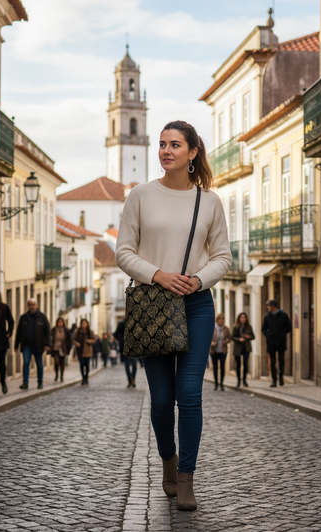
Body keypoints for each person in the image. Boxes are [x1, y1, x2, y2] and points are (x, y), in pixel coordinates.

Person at [116, 120, 231, 511]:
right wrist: (158, 275)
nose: (166, 150)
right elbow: (123, 252)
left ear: (193, 153)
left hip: (196, 305)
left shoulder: (210, 201)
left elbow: (223, 257)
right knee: (163, 400)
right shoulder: (141, 195)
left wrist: (197, 280)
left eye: (175, 145)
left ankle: (186, 478)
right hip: (153, 306)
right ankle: (168, 458)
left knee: (190, 395)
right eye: (162, 144)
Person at [14, 299, 51, 390]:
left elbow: (48, 332)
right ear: (27, 306)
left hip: (38, 345)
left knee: (39, 364)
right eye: (30, 305)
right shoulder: (23, 317)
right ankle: (25, 382)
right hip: (27, 345)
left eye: (33, 304)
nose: (31, 306)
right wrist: (16, 345)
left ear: (36, 305)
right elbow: (18, 332)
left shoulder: (42, 317)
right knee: (26, 363)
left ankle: (40, 382)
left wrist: (48, 344)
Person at [262, 299, 292, 388]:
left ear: (273, 306)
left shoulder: (283, 315)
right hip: (271, 342)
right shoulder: (267, 316)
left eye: (268, 306)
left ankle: (281, 377)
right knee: (272, 361)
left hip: (281, 341)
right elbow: (263, 328)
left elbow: (289, 327)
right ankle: (274, 380)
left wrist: (282, 333)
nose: (267, 307)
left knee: (281, 360)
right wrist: (268, 335)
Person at [232, 312, 255, 388]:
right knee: (238, 365)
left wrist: (248, 337)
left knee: (245, 364)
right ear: (239, 319)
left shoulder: (249, 327)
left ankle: (244, 380)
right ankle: (238, 381)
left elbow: (253, 336)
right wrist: (239, 339)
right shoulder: (235, 327)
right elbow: (232, 337)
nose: (243, 319)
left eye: (244, 317)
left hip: (246, 347)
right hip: (238, 348)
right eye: (241, 317)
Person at [209, 313, 231, 391]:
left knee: (222, 367)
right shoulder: (213, 328)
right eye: (219, 319)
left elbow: (229, 338)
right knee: (215, 367)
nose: (221, 321)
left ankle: (221, 383)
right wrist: (212, 343)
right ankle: (216, 384)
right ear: (217, 320)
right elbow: (208, 338)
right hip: (214, 351)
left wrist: (226, 341)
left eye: (222, 319)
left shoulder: (226, 329)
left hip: (223, 351)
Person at [114, 318, 137, 388]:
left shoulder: (135, 323)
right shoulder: (121, 324)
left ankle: (133, 378)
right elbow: (115, 334)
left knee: (134, 364)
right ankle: (129, 379)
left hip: (134, 348)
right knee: (127, 365)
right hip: (125, 348)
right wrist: (121, 339)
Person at [73, 318, 96, 384]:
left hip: (88, 351)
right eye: (83, 323)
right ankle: (83, 377)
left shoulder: (90, 332)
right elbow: (73, 339)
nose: (84, 325)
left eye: (85, 323)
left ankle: (86, 377)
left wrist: (89, 341)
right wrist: (76, 343)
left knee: (87, 365)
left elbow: (94, 340)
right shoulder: (78, 332)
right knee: (82, 364)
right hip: (80, 351)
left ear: (87, 324)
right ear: (81, 324)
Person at [51, 317, 72, 382]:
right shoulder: (54, 330)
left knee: (62, 363)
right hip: (55, 348)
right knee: (56, 362)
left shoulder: (66, 330)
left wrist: (69, 348)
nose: (60, 323)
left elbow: (69, 340)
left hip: (63, 348)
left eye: (61, 322)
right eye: (59, 322)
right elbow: (50, 338)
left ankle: (61, 376)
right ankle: (56, 374)